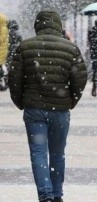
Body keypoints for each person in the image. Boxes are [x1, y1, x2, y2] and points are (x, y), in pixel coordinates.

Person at [8, 10, 87, 202]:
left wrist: (22, 101)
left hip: (34, 109)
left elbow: (14, 79)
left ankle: (45, 195)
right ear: (58, 25)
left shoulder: (24, 47)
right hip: (60, 110)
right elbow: (80, 78)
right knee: (58, 154)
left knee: (38, 153)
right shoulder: (70, 48)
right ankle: (57, 193)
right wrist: (70, 100)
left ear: (37, 25)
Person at [0, 13, 9, 84]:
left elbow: (1, 39)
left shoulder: (3, 28)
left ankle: (1, 83)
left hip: (1, 51)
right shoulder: (3, 27)